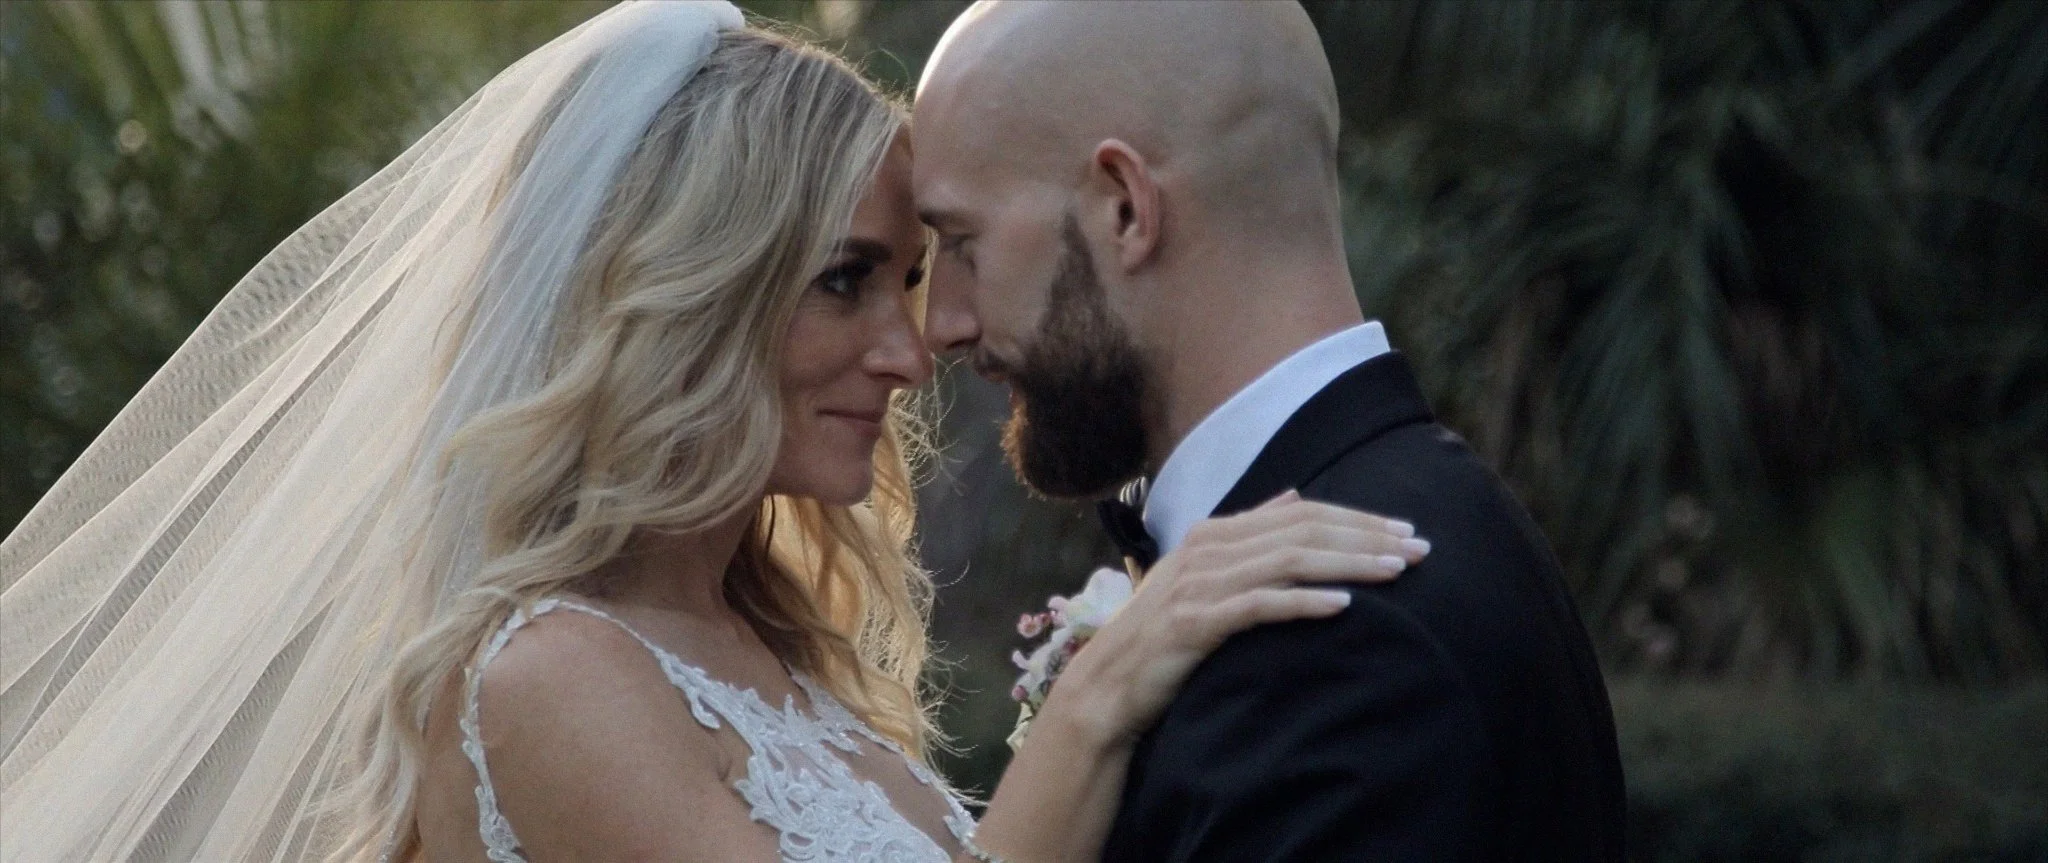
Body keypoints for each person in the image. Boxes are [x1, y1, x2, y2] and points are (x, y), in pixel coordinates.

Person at [0, 3, 1428, 861]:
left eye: (911, 279)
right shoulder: (548, 672)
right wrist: (1102, 690)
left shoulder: (774, 652)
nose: (909, 350)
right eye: (846, 279)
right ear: (688, 302)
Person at [912, 1, 1629, 859]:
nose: (942, 325)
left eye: (963, 242)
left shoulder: (1344, 633)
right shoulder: (1413, 526)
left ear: (1126, 209)